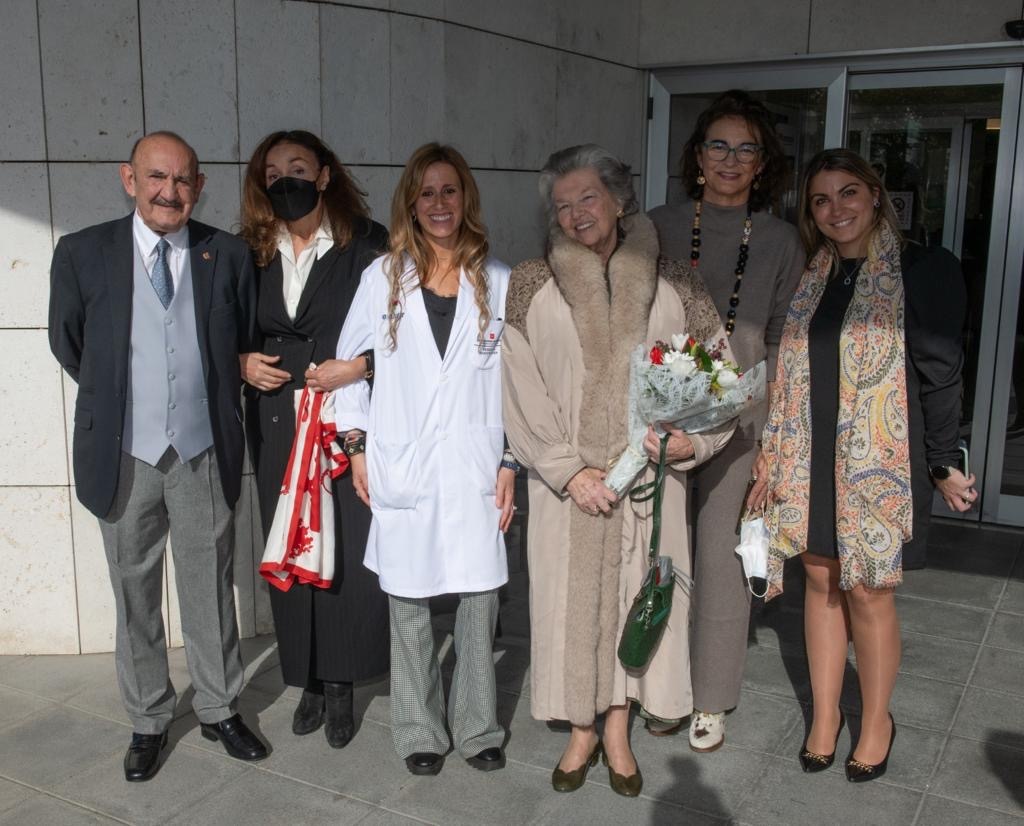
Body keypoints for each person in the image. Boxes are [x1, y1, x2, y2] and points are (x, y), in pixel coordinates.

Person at [501, 144, 735, 797]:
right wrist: (567, 469)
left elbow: (713, 377)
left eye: (588, 198)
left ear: (619, 198)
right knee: (568, 605)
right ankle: (580, 726)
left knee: (640, 603)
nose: (577, 214)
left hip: (649, 484)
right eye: (563, 204)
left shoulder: (674, 281)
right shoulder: (531, 282)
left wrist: (694, 444)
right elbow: (520, 387)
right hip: (568, 491)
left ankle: (615, 727)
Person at [750, 148, 977, 783]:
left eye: (848, 193)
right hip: (809, 456)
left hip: (880, 461)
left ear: (876, 196)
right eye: (821, 200)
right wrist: (771, 447)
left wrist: (944, 460)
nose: (835, 210)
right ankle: (825, 716)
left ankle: (875, 720)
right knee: (819, 584)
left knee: (869, 592)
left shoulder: (923, 269)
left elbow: (941, 374)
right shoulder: (812, 275)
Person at [48, 131, 267, 782]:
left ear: (199, 187)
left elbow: (240, 337)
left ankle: (220, 706)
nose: (170, 192)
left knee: (210, 587)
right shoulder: (83, 253)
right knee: (134, 592)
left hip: (200, 449)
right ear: (129, 178)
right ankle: (147, 719)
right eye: (156, 177)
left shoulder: (223, 253)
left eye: (183, 180)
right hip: (125, 453)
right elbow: (71, 344)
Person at [334, 143, 513, 777]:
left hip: (474, 467)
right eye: (426, 193)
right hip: (403, 461)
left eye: (450, 191)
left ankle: (477, 727)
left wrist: (510, 462)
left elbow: (519, 386)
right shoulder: (382, 278)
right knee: (408, 603)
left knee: (479, 599)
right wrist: (354, 449)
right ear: (411, 201)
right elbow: (346, 371)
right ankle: (417, 729)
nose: (439, 204)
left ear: (466, 198)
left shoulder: (499, 281)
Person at [649, 90, 804, 750]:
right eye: (719, 145)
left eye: (746, 148)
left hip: (740, 419)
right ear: (697, 155)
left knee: (720, 555)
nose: (731, 159)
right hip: (663, 410)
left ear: (763, 161)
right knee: (660, 552)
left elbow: (781, 345)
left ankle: (711, 696)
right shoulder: (656, 225)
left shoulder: (780, 239)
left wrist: (772, 436)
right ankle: (660, 686)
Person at [239, 130, 390, 747]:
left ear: (325, 175)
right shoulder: (250, 250)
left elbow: (407, 329)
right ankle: (304, 678)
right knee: (294, 542)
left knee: (347, 550)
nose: (285, 180)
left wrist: (359, 366)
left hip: (347, 418)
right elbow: (224, 324)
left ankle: (342, 683)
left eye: (298, 168)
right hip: (277, 416)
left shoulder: (370, 244)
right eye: (273, 172)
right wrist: (242, 359)